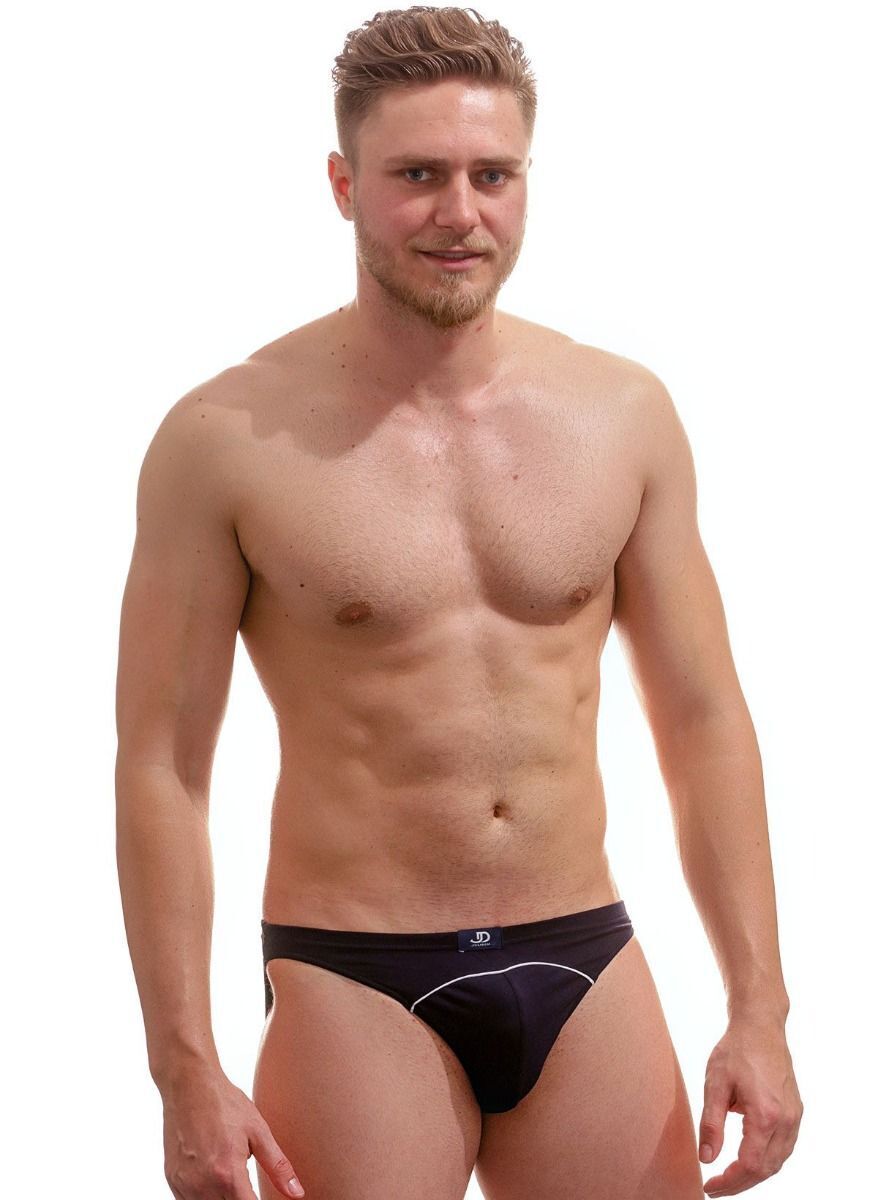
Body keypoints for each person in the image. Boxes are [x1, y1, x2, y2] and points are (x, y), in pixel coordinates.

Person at [115, 7, 803, 1199]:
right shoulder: (223, 440)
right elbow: (162, 764)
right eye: (416, 175)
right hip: (354, 976)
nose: (459, 212)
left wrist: (759, 1010)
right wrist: (184, 1067)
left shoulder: (621, 415)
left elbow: (702, 720)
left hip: (581, 948)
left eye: (492, 175)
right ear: (343, 184)